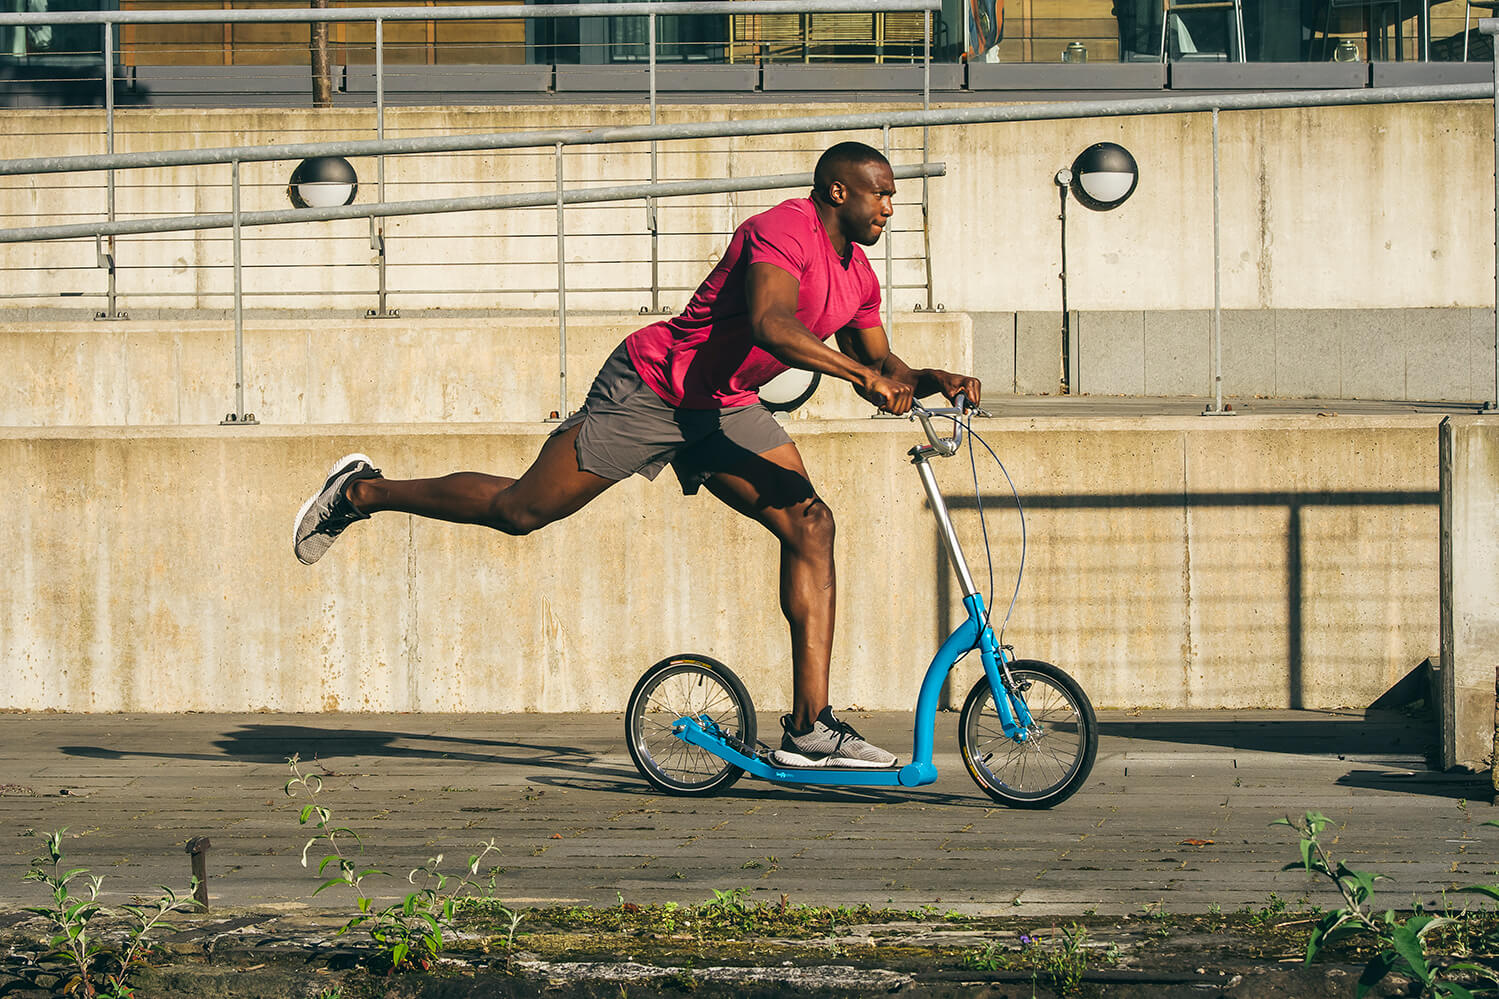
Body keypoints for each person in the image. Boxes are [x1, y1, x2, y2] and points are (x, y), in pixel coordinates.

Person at [294, 140, 981, 769]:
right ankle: (362, 491)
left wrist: (930, 378)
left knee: (811, 524)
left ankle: (809, 726)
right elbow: (773, 324)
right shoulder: (780, 229)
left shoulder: (856, 274)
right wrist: (864, 378)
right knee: (521, 510)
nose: (889, 208)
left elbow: (880, 358)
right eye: (881, 194)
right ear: (838, 192)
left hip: (725, 407)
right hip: (654, 388)